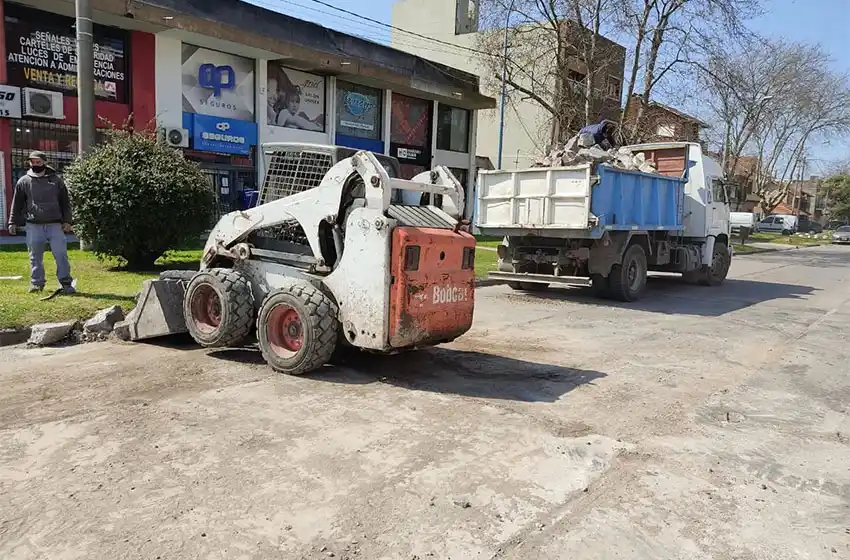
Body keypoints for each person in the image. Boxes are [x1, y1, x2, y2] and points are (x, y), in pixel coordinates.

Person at [7, 151, 75, 294]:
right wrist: (12, 222)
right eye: (32, 162)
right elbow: (17, 203)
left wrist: (67, 221)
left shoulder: (56, 180)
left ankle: (66, 284)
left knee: (61, 255)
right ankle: (37, 284)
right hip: (33, 225)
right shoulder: (24, 181)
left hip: (55, 225)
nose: (35, 164)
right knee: (35, 257)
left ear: (44, 162)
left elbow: (65, 202)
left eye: (38, 162)